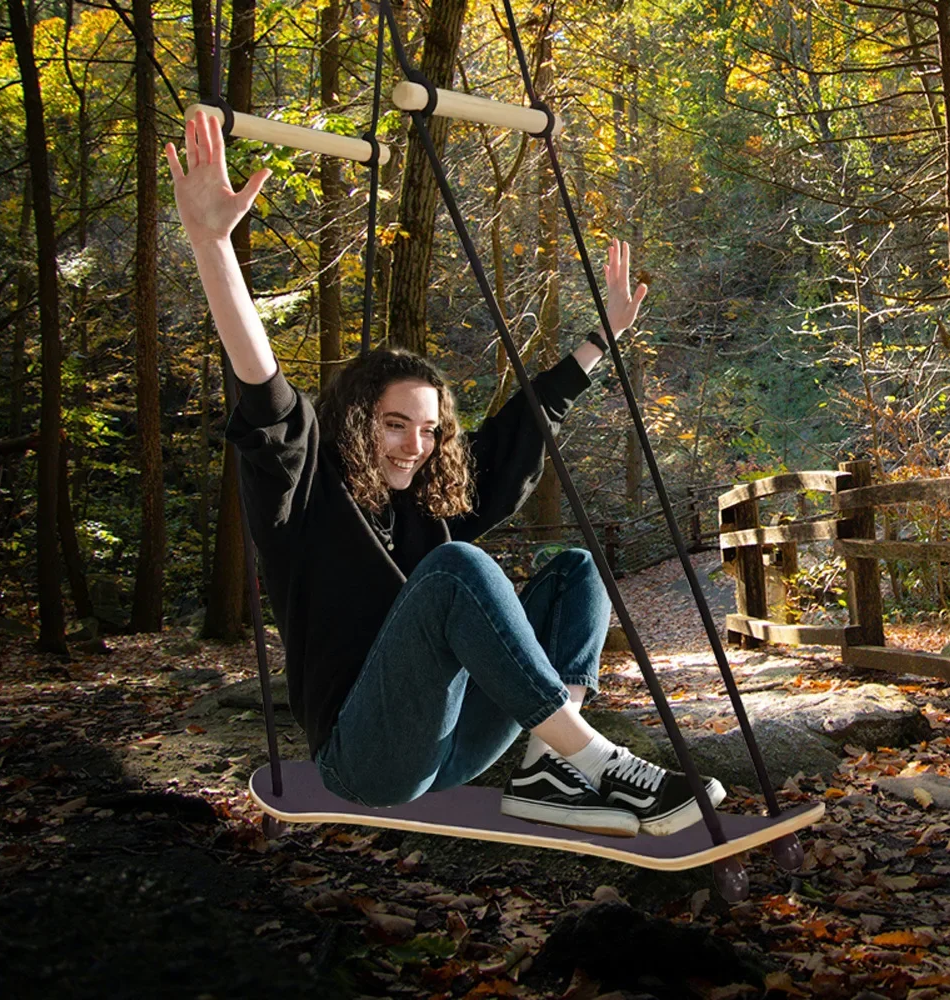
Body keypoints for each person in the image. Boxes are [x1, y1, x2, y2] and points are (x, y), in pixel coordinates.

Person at [166, 110, 725, 838]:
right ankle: (595, 762)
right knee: (459, 568)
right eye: (395, 424)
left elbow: (519, 428)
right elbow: (260, 383)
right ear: (354, 419)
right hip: (366, 759)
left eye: (429, 430)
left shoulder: (433, 502)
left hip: (451, 744)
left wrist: (603, 337)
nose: (414, 445)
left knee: (576, 571)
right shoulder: (304, 490)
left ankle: (553, 767)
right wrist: (213, 244)